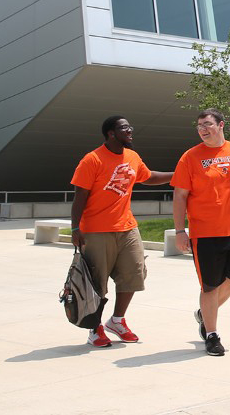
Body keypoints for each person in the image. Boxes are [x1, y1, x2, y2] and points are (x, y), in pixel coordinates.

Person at [70, 116, 173, 347]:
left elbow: (149, 177)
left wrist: (178, 175)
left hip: (127, 227)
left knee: (134, 274)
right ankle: (95, 328)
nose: (130, 130)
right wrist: (76, 228)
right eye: (124, 127)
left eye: (130, 126)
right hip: (96, 230)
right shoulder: (92, 159)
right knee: (97, 283)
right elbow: (79, 197)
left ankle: (117, 321)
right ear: (111, 133)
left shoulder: (133, 157)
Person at [171, 109, 230, 357]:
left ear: (221, 125)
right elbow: (180, 195)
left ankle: (204, 313)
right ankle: (211, 334)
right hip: (204, 233)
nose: (203, 129)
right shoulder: (190, 157)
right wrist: (181, 230)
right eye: (199, 125)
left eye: (208, 124)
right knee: (209, 286)